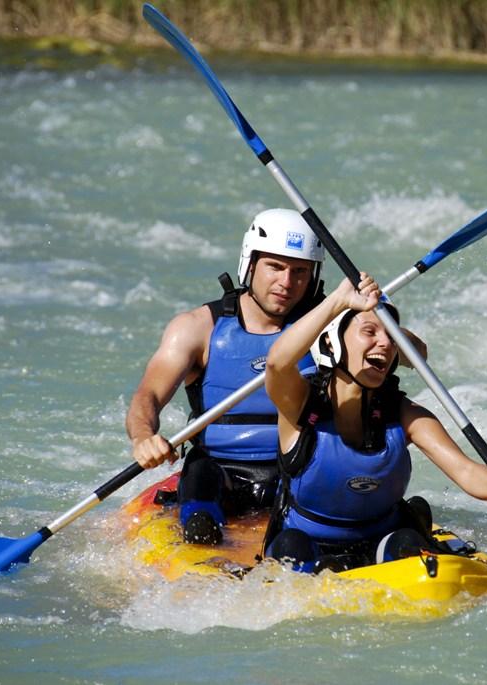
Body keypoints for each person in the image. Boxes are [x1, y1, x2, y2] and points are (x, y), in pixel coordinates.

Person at [126, 209, 426, 546]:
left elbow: (417, 355)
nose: (286, 282)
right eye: (275, 267)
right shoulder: (197, 328)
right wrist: (143, 437)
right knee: (200, 478)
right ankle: (201, 529)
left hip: (302, 468)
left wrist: (375, 315)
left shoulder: (333, 325)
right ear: (250, 264)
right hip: (219, 473)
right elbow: (148, 395)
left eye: (300, 271)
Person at [262, 273, 487, 572]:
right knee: (292, 548)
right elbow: (277, 363)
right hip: (307, 542)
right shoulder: (300, 404)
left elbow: (466, 471)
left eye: (392, 337)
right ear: (331, 341)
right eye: (370, 331)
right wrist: (338, 301)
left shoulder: (403, 413)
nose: (385, 344)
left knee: (407, 542)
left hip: (382, 541)